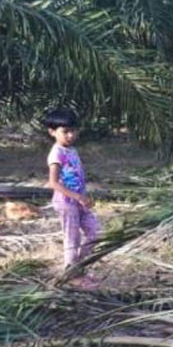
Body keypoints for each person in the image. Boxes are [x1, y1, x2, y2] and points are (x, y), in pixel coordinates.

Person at [45, 108, 101, 289]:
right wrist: (77, 196)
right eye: (65, 131)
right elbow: (53, 183)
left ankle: (79, 268)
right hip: (66, 203)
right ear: (52, 132)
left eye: (73, 131)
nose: (70, 135)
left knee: (94, 233)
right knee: (72, 239)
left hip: (79, 201)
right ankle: (71, 275)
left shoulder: (72, 150)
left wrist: (84, 197)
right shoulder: (56, 154)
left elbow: (76, 177)